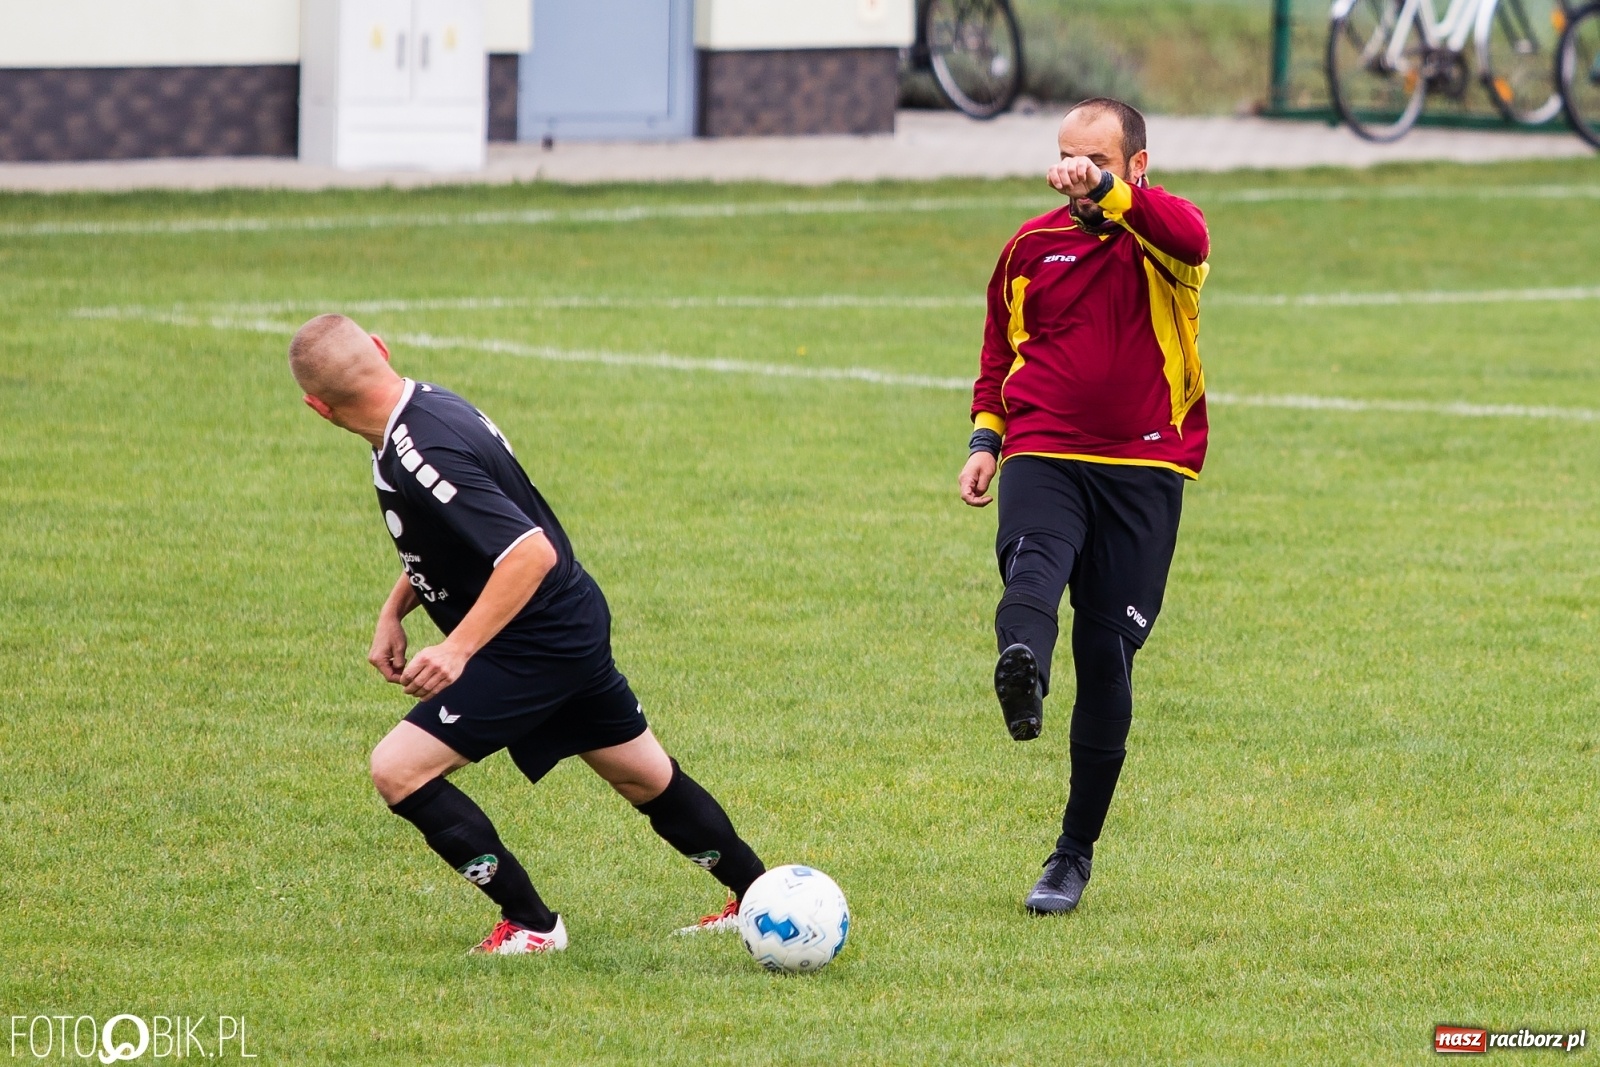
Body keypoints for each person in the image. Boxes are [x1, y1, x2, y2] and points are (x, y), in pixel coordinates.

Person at [288, 314, 766, 954]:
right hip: (562, 622)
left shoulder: (420, 450)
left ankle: (532, 925)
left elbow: (525, 553)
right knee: (643, 775)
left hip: (533, 639)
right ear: (380, 349)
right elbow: (451, 536)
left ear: (317, 407)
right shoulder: (423, 407)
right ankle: (759, 898)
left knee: (397, 770)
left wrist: (457, 648)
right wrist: (394, 608)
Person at [957, 98, 1211, 915]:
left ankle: (1072, 853)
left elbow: (1192, 236)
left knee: (1108, 659)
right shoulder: (1030, 246)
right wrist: (986, 438)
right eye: (1066, 157)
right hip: (1045, 449)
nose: (1074, 173)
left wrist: (1112, 196)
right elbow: (1000, 347)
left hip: (1145, 464)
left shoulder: (1164, 241)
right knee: (1033, 561)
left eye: (1093, 161)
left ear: (1135, 165)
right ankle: (1021, 672)